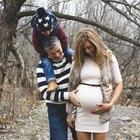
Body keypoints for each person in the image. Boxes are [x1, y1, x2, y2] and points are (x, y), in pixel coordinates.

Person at [66, 28, 123, 140]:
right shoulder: (78, 60)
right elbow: (71, 86)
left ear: (96, 43)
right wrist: (69, 114)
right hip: (81, 113)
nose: (87, 51)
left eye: (89, 47)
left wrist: (110, 104)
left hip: (101, 114)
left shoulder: (108, 58)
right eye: (83, 49)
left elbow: (119, 84)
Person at [36, 36, 79, 140]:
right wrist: (68, 95)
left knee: (79, 137)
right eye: (52, 53)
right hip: (55, 109)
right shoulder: (41, 66)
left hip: (75, 106)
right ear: (47, 53)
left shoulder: (72, 59)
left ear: (61, 45)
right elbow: (45, 93)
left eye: (58, 51)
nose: (57, 55)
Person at [31, 7, 73, 92]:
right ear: (39, 30)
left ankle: (78, 64)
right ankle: (52, 81)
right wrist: (47, 54)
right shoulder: (35, 34)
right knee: (46, 63)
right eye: (44, 32)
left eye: (49, 30)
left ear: (52, 26)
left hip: (60, 47)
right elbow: (37, 46)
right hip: (45, 52)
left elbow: (64, 38)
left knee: (70, 52)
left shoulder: (56, 27)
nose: (47, 33)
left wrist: (63, 50)